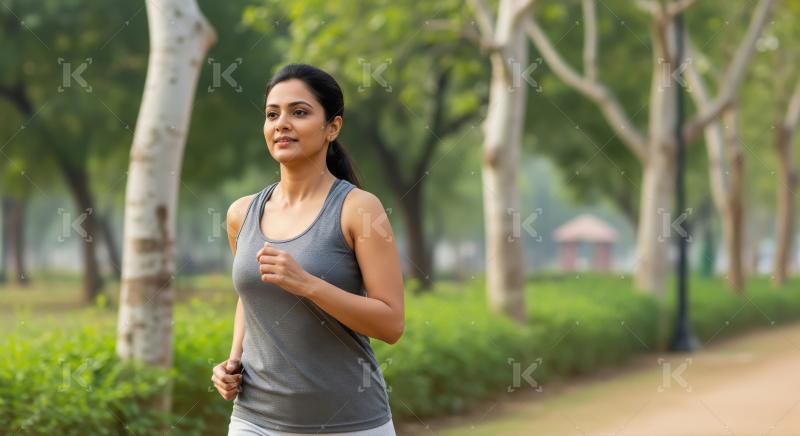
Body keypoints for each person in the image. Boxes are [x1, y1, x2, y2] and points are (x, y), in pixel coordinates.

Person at [211, 63, 404, 436]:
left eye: (299, 112)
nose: (282, 123)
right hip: (254, 421)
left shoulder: (359, 209)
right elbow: (251, 297)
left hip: (350, 422)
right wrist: (233, 361)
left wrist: (307, 284)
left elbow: (391, 323)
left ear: (332, 127)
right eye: (272, 114)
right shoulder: (241, 213)